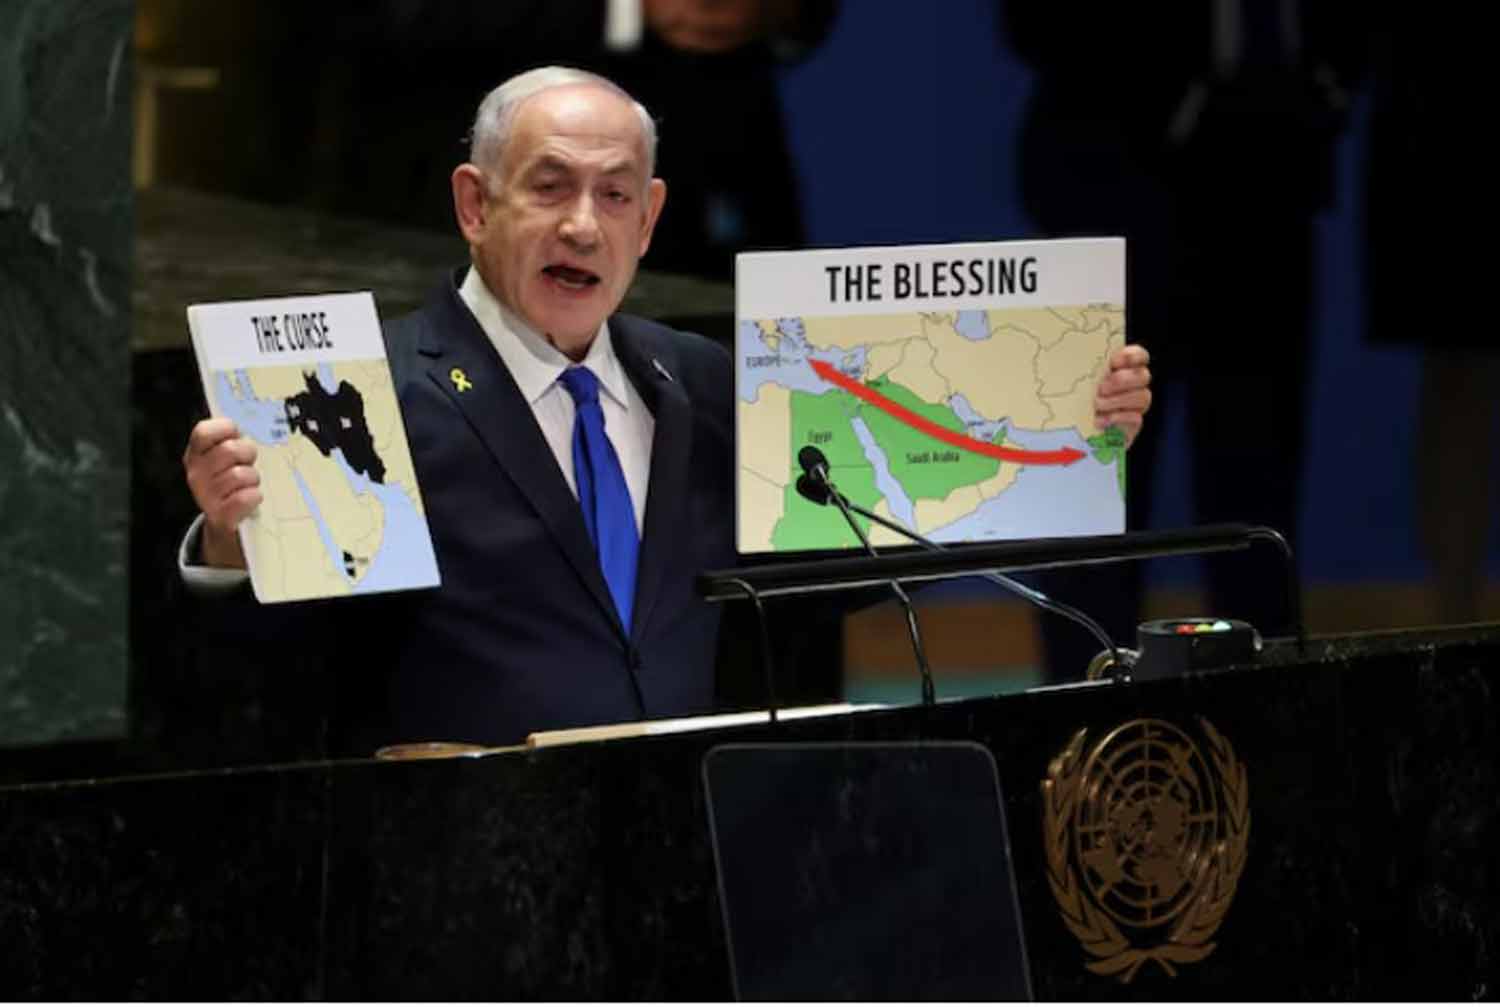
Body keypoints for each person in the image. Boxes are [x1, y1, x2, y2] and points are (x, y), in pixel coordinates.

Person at [180, 67, 1154, 751]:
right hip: (461, 869)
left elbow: (837, 557)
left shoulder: (697, 378)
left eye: (613, 196)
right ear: (475, 205)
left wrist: (1058, 435)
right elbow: (282, 671)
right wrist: (234, 539)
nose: (581, 224)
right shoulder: (374, 385)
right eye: (550, 186)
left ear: (649, 220)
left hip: (675, 847)